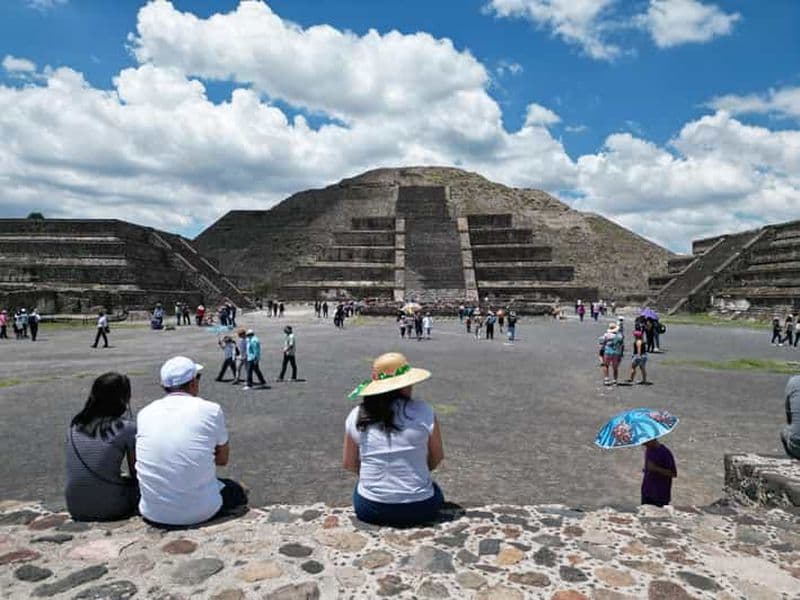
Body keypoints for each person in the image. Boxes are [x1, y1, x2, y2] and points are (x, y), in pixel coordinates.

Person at [136, 356, 247, 526]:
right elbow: (222, 459)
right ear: (193, 383)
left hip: (153, 512)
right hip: (201, 512)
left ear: (163, 386)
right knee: (237, 489)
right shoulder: (211, 410)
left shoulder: (144, 413)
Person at [343, 352, 445, 526]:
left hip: (370, 508)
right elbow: (437, 457)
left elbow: (349, 463)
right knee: (434, 490)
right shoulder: (424, 411)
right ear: (403, 385)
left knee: (361, 489)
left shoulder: (358, 415)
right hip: (421, 508)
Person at [65, 372, 139, 521]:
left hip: (74, 506)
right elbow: (136, 472)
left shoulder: (75, 425)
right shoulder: (126, 428)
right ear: (123, 398)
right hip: (111, 507)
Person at [641, 438, 677, 506]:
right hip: (646, 491)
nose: (644, 445)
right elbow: (650, 467)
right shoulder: (648, 449)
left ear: (652, 439)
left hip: (660, 495)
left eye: (645, 442)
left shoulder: (665, 452)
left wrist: (655, 468)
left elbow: (673, 473)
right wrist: (646, 470)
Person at [781, 375, 800, 460]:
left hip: (797, 445)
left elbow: (789, 418)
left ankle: (795, 462)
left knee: (784, 432)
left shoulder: (794, 381)